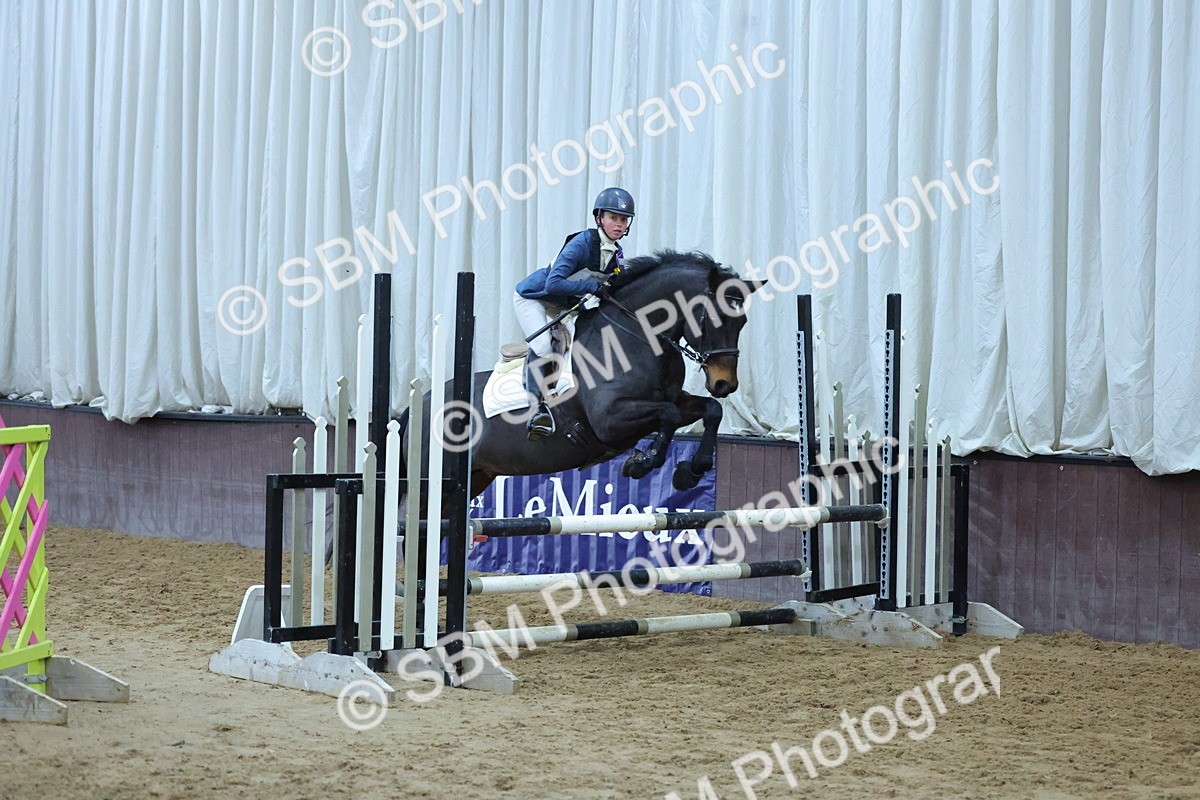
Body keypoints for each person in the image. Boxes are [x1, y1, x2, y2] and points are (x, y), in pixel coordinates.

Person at [513, 187, 635, 440]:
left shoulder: (617, 255)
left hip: (565, 304)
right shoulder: (581, 243)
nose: (619, 224)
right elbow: (553, 284)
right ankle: (536, 409)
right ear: (599, 218)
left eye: (623, 219)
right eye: (613, 218)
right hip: (534, 298)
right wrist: (591, 287)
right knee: (545, 345)